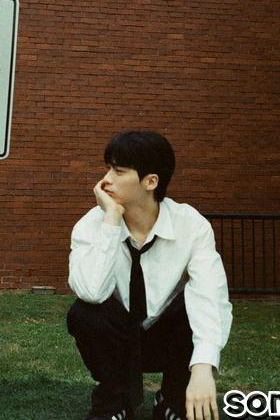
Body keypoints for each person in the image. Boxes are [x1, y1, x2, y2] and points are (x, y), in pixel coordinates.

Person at [67, 130, 232, 420]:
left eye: (118, 171)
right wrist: (111, 220)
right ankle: (115, 402)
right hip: (117, 339)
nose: (105, 180)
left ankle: (172, 399)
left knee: (193, 304)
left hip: (166, 339)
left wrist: (203, 368)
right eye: (108, 169)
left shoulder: (191, 225)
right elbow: (91, 291)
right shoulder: (91, 225)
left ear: (151, 182)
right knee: (85, 313)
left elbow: (211, 297)